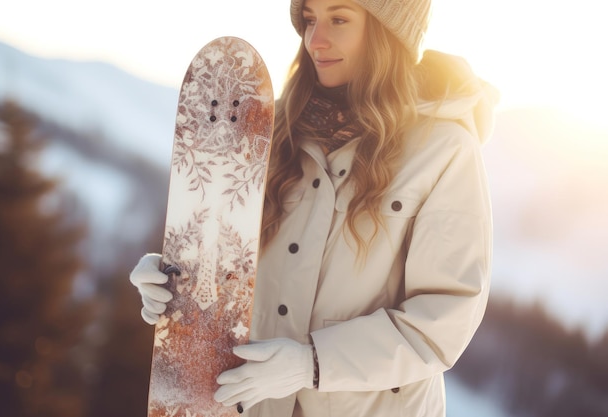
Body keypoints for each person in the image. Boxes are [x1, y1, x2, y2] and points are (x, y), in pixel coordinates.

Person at [130, 0, 498, 415]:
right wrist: (174, 284)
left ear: (386, 32)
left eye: (338, 19)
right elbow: (229, 270)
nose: (314, 40)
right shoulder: (268, 127)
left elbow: (443, 319)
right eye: (309, 19)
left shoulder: (443, 150)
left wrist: (313, 363)